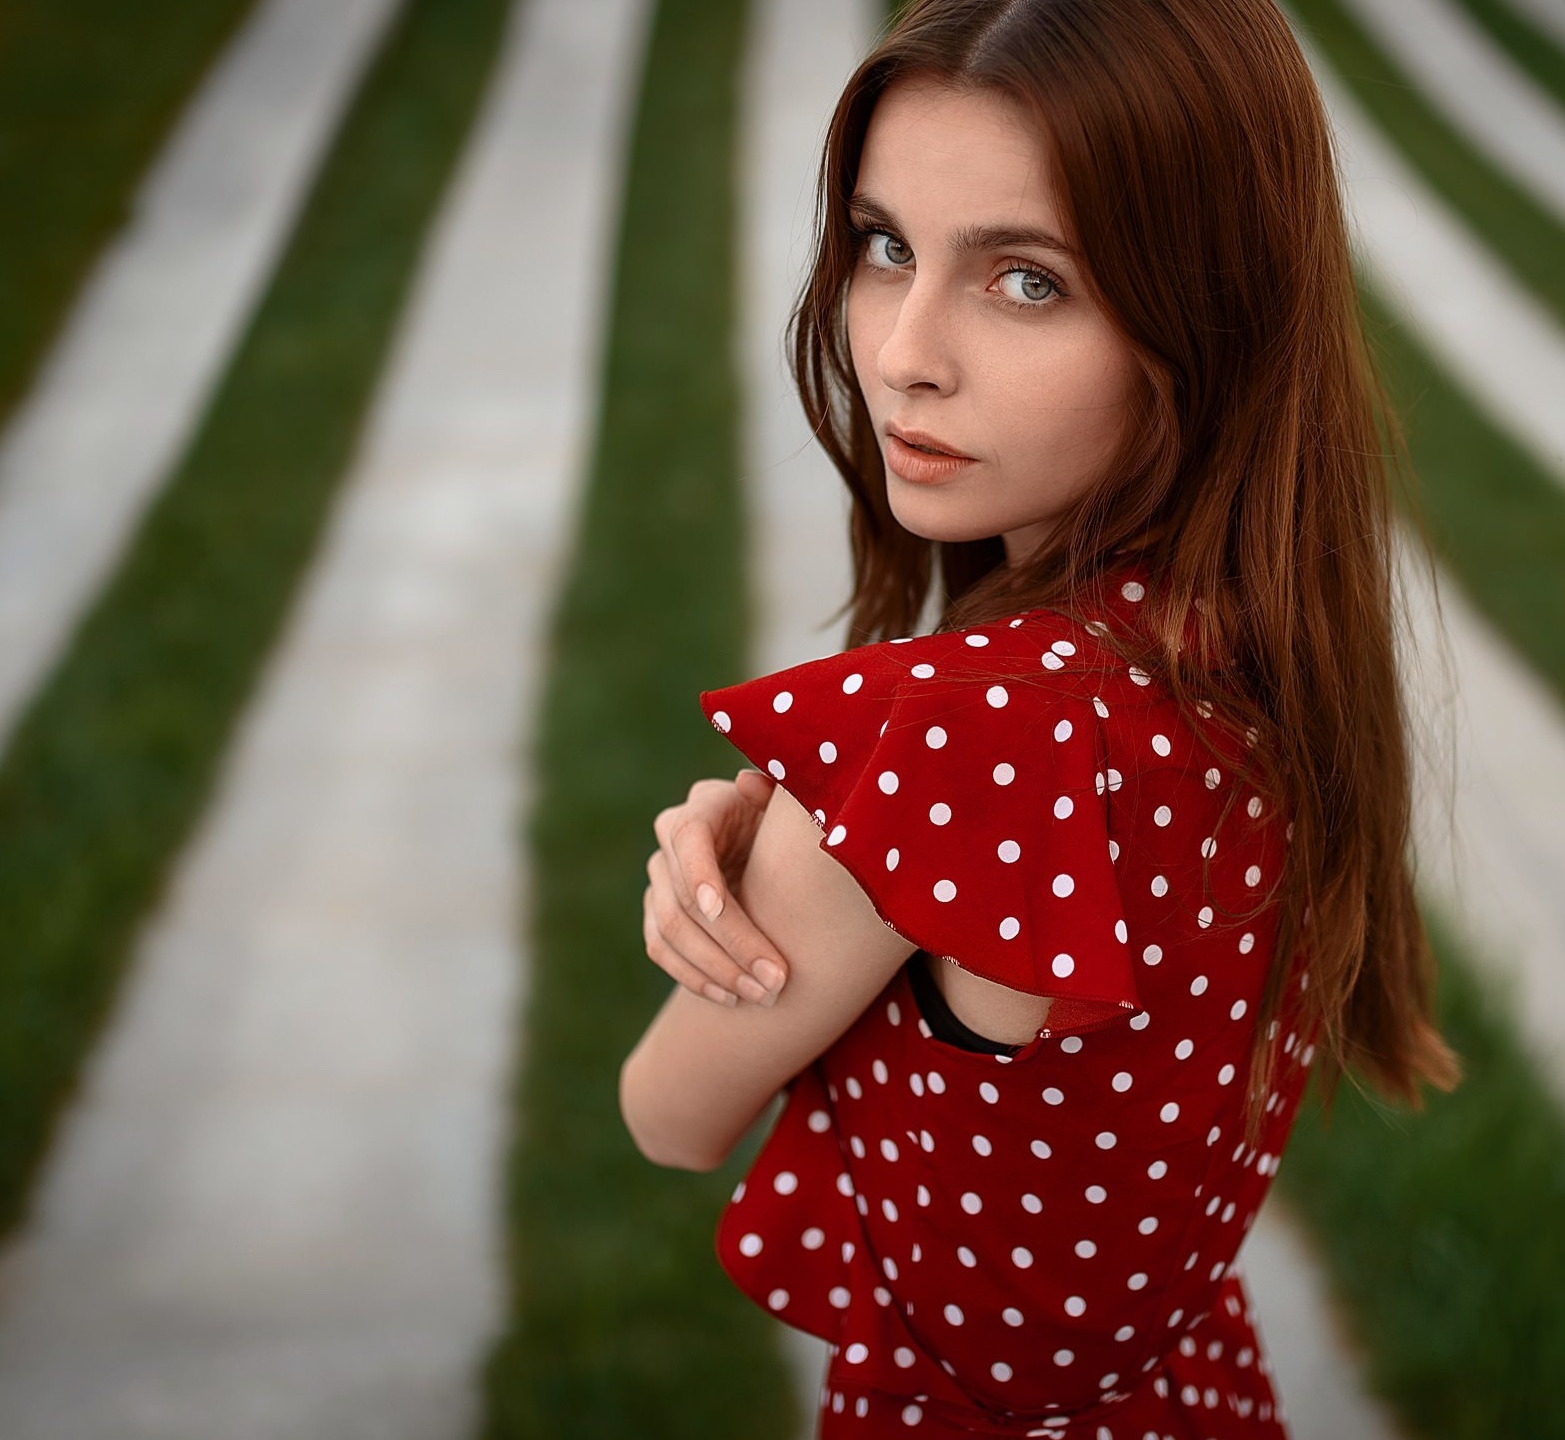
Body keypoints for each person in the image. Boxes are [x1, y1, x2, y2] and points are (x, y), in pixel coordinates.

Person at [617, 0, 1457, 1433]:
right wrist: (808, 842)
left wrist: (765, 885)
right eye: (885, 247)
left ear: (1206, 320)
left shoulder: (973, 728)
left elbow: (669, 1111)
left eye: (1026, 282)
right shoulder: (1259, 648)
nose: (902, 354)